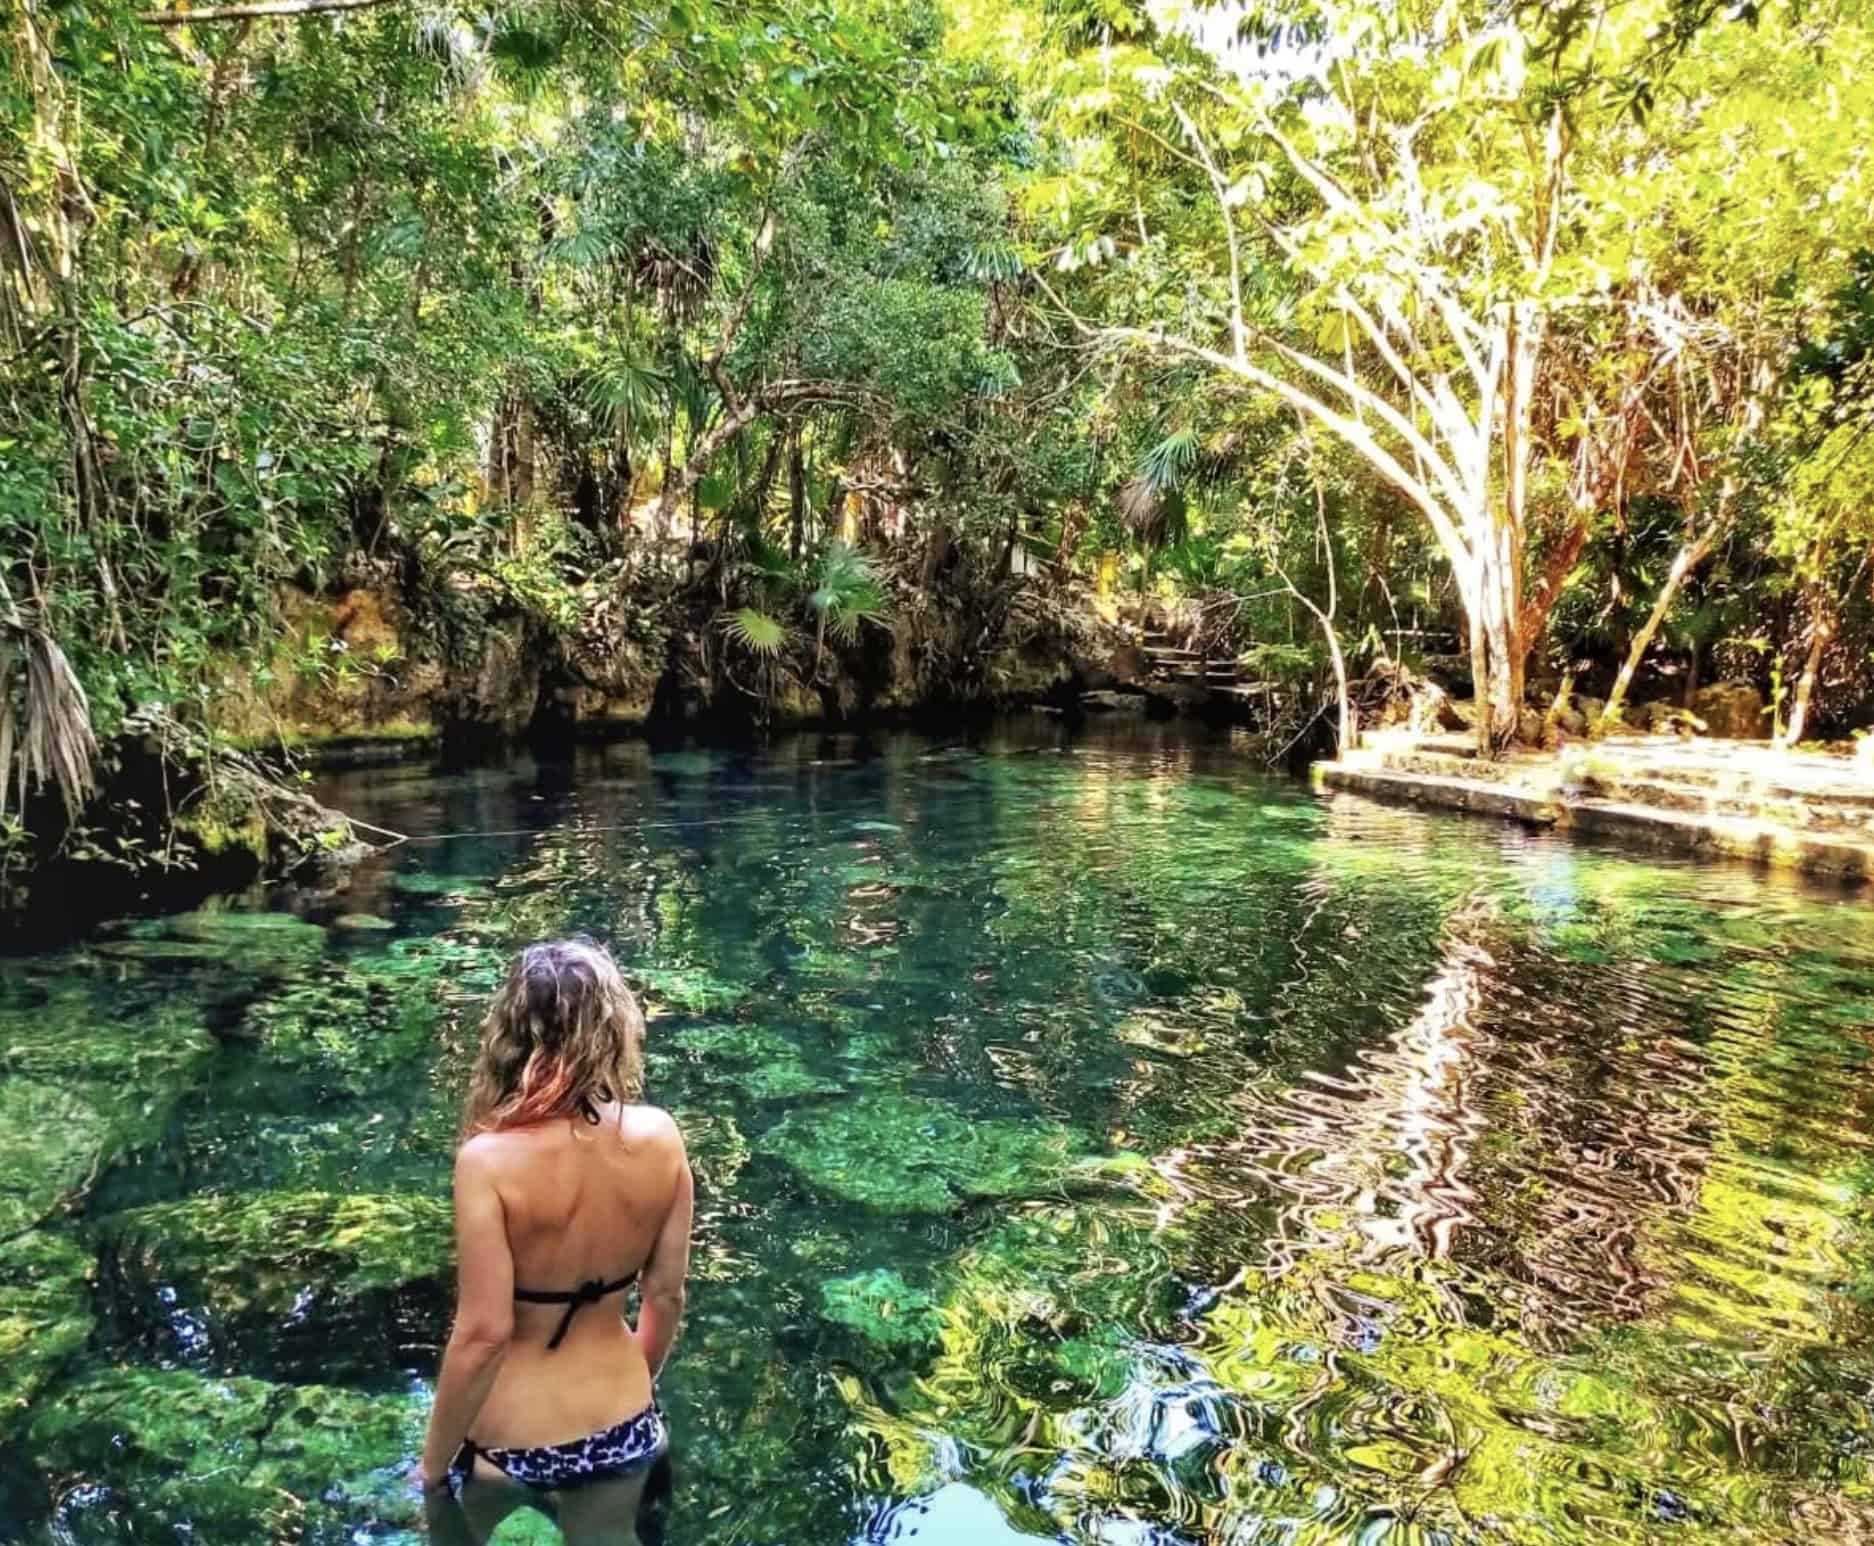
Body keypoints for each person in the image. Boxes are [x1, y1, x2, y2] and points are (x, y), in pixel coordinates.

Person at [415, 937, 693, 1545]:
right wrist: (627, 1382)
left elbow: (483, 1335)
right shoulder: (662, 1137)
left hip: (509, 1443)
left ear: (513, 1035)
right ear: (615, 1028)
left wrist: (432, 1471)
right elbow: (666, 1297)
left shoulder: (486, 1162)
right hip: (623, 1425)